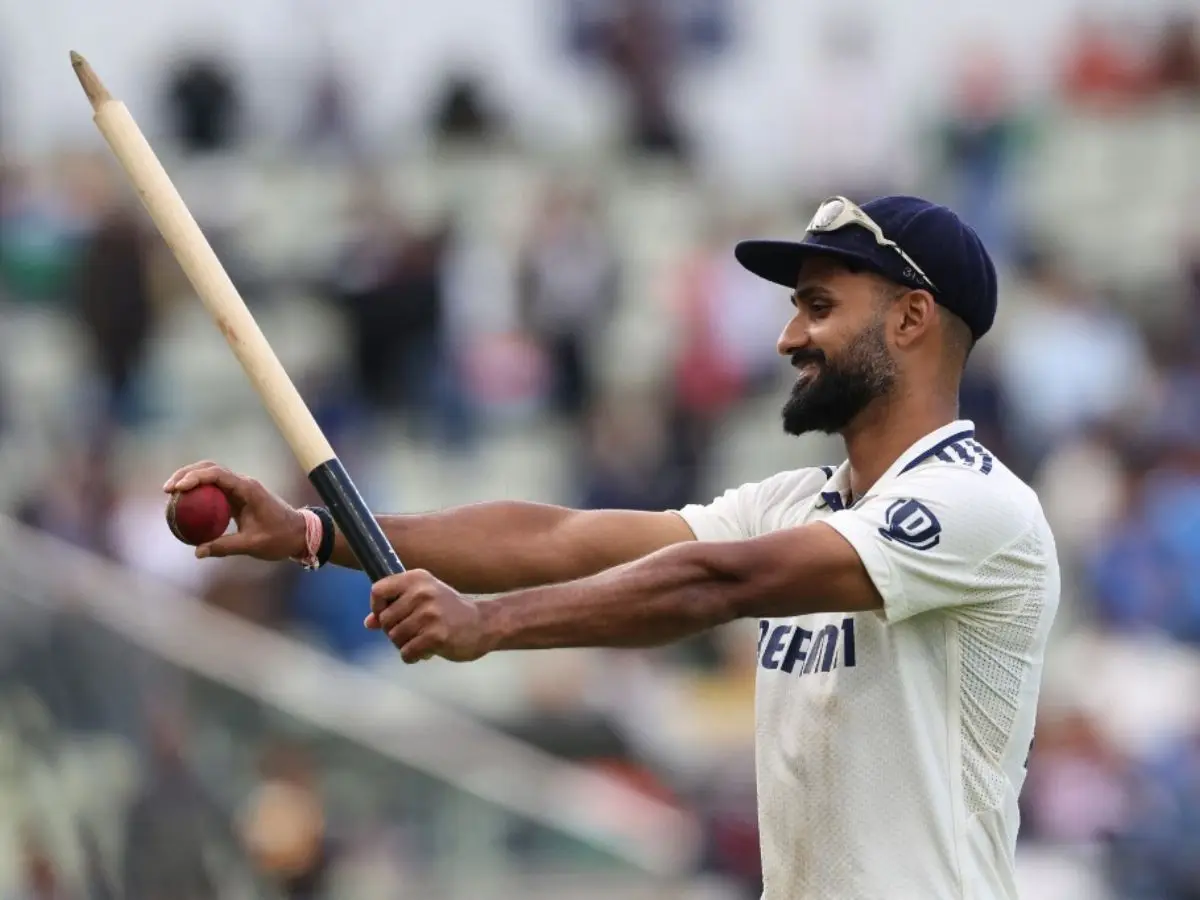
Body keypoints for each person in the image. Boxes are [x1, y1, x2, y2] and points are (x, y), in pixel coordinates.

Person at [163, 195, 1061, 900]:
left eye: (819, 307)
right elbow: (558, 538)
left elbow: (717, 583)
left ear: (910, 320)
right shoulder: (801, 501)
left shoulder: (979, 506)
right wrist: (316, 532)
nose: (789, 336)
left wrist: (488, 624)